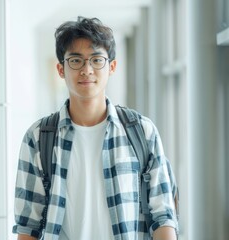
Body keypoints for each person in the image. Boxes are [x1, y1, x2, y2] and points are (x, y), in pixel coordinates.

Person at [12, 16, 178, 240]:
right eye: (76, 60)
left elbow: (163, 216)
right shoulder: (38, 137)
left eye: (97, 60)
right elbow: (27, 226)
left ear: (112, 67)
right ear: (61, 69)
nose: (87, 70)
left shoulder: (142, 131)